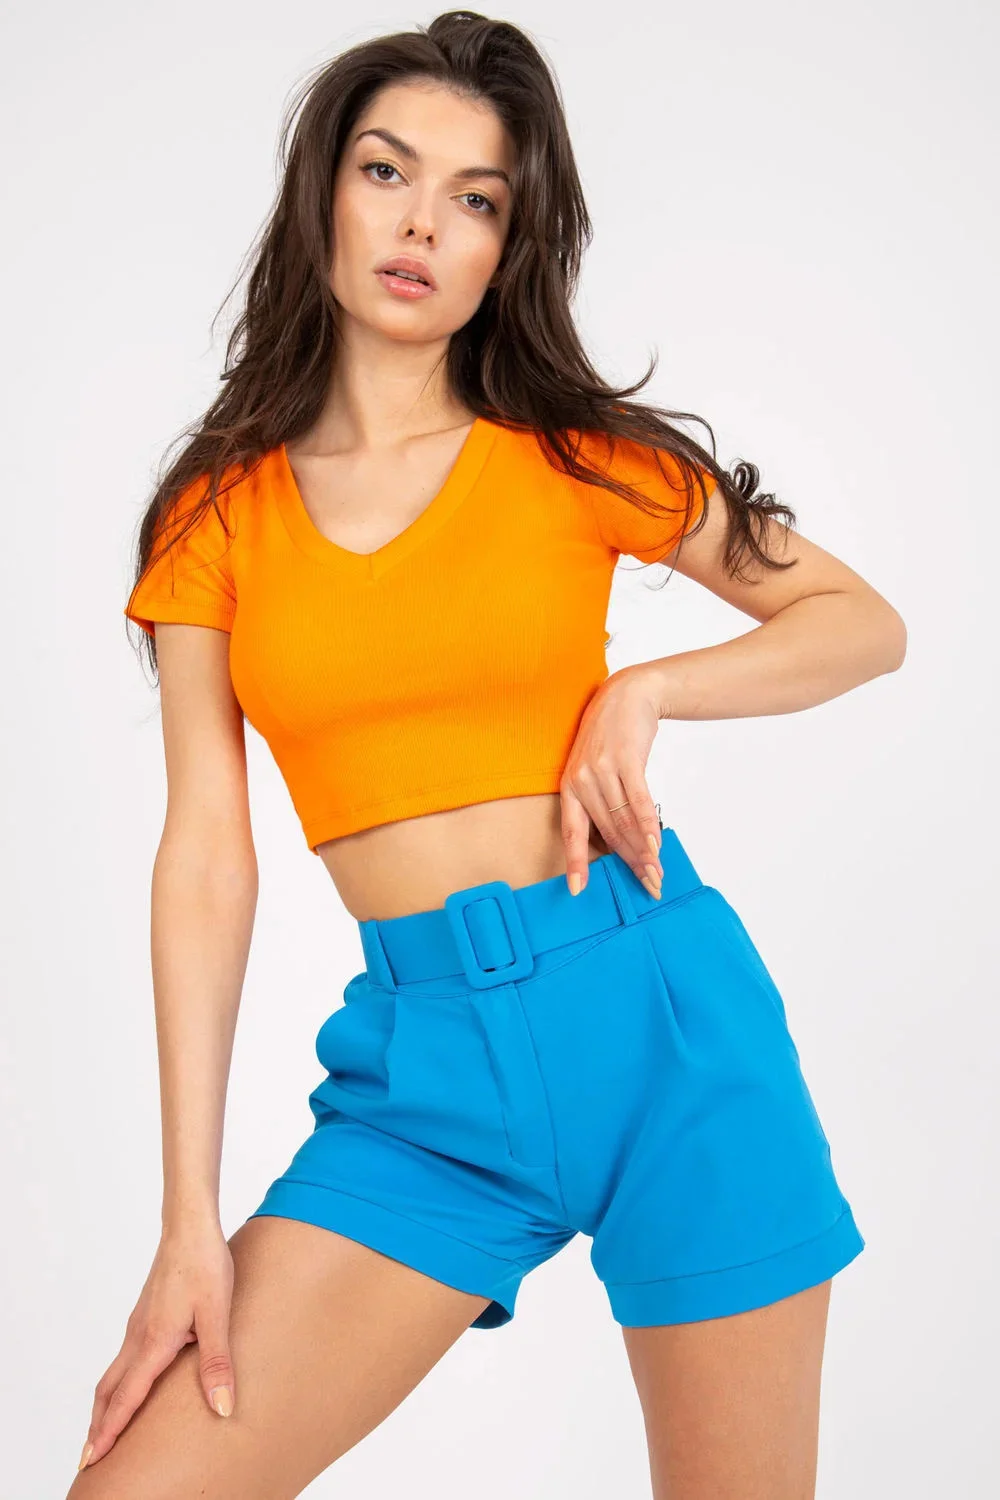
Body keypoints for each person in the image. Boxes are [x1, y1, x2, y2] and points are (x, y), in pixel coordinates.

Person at [70, 11, 906, 1498]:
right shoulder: (216, 516)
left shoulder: (570, 454)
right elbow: (205, 853)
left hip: (667, 1027)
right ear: (325, 192)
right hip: (427, 1082)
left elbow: (861, 623)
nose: (422, 224)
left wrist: (648, 689)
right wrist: (189, 1220)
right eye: (388, 172)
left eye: (476, 199)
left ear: (508, 248)